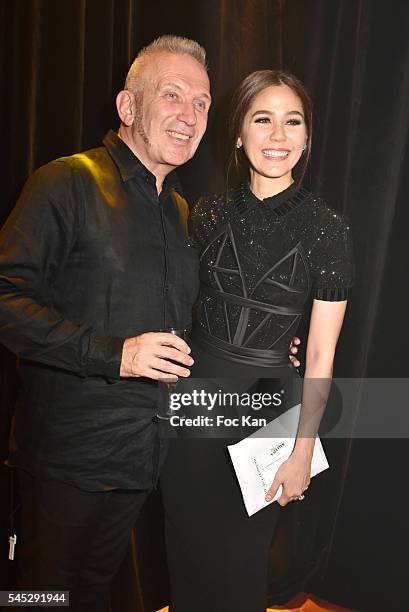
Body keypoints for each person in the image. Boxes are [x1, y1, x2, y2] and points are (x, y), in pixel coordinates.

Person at [0, 36, 300, 611]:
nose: (190, 116)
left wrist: (267, 348)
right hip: (66, 462)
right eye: (172, 96)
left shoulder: (182, 212)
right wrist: (116, 355)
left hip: (145, 459)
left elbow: (197, 323)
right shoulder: (65, 183)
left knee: (91, 593)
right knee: (37, 596)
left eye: (203, 103)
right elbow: (7, 298)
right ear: (128, 107)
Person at [159, 69, 354, 612]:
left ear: (307, 138)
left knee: (241, 566)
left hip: (270, 409)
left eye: (292, 122)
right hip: (195, 402)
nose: (278, 135)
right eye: (262, 119)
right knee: (187, 555)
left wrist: (304, 447)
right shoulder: (206, 214)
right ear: (239, 135)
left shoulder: (328, 229)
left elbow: (319, 353)